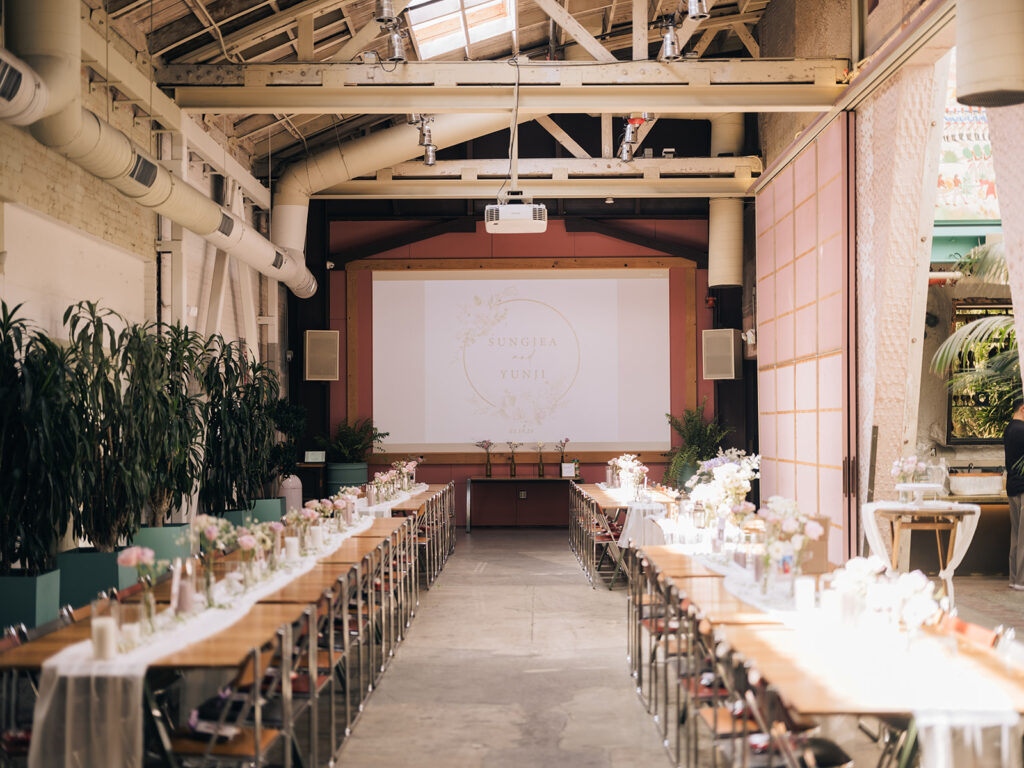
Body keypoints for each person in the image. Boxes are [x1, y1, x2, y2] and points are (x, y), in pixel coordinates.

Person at [1003, 394, 1024, 589]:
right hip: (1023, 487)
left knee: (1016, 535)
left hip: (1012, 486)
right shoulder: (1021, 430)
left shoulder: (1009, 429)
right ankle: (1021, 580)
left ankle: (1014, 578)